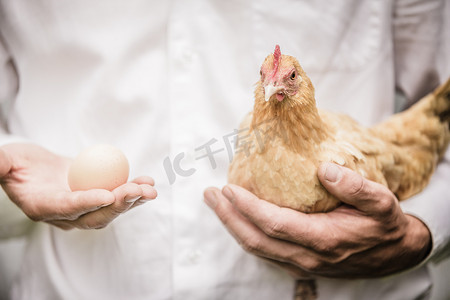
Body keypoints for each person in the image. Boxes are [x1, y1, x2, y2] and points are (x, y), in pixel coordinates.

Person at [0, 1, 449, 299]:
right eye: (268, 77)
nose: (275, 84)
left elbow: (436, 116)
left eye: (289, 78)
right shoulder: (252, 130)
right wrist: (10, 162)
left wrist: (420, 231)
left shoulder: (335, 156)